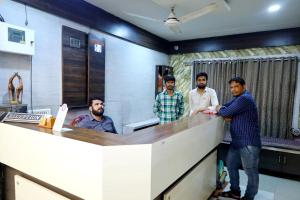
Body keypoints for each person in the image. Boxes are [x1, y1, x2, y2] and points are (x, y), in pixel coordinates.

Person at [216, 77, 261, 200]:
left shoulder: (244, 99)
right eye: (231, 87)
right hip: (237, 142)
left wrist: (221, 110)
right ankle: (235, 191)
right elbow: (226, 107)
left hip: (248, 143)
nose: (233, 89)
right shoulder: (238, 99)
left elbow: (224, 111)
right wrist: (223, 110)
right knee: (230, 165)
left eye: (236, 86)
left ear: (243, 86)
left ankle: (248, 197)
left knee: (251, 172)